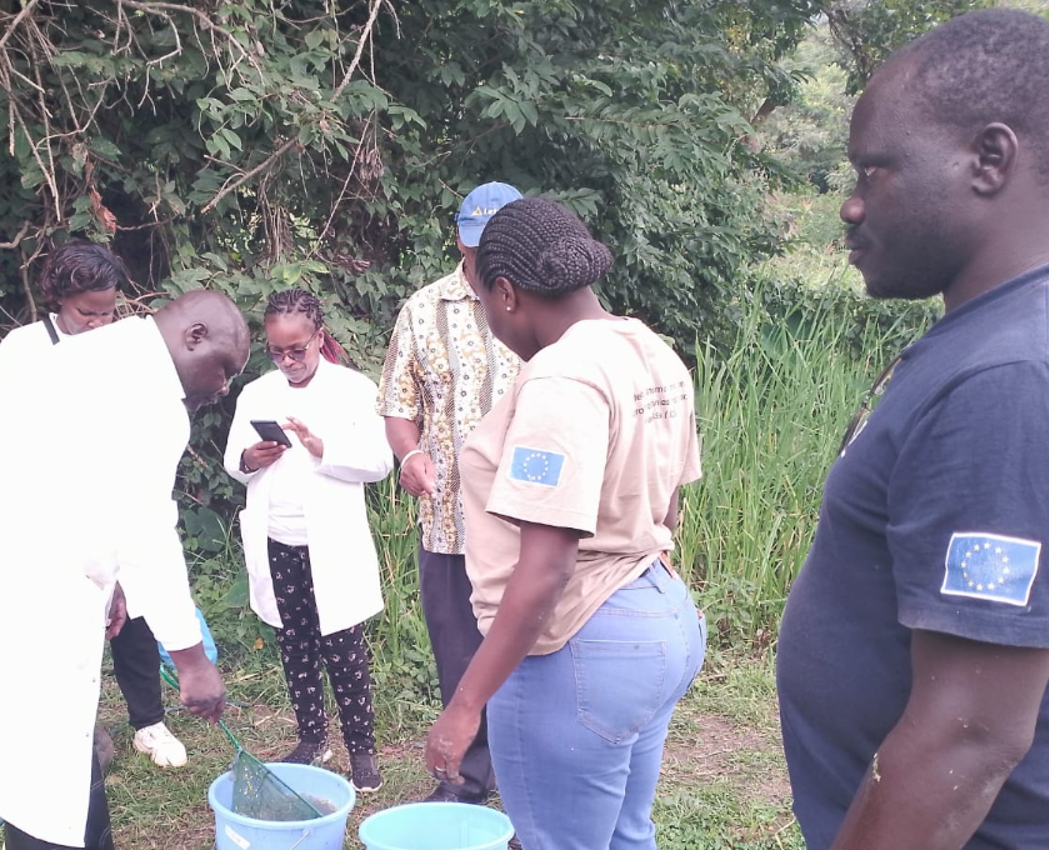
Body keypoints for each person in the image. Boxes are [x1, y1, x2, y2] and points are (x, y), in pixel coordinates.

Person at [775, 9, 1049, 850]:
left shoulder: (1024, 379)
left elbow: (969, 735)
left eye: (876, 171)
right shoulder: (1022, 329)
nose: (850, 206)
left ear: (989, 159)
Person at [0, 290, 251, 850]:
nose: (222, 387)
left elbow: (87, 493)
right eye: (224, 370)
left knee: (45, 754)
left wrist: (113, 581)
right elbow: (148, 533)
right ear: (194, 336)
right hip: (4, 576)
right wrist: (193, 663)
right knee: (40, 759)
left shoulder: (104, 353)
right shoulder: (149, 395)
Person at [424, 198, 706, 850]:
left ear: (506, 293)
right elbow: (667, 508)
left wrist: (464, 708)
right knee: (626, 836)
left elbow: (546, 566)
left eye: (484, 304)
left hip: (577, 643)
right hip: (660, 618)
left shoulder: (563, 375)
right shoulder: (651, 351)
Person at [0, 241, 190, 769]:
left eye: (108, 312)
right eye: (86, 313)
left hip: (115, 504)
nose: (99, 324)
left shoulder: (127, 345)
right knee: (70, 623)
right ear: (58, 298)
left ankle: (149, 723)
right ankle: (73, 728)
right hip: (51, 517)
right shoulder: (25, 349)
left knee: (132, 612)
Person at [377, 181, 522, 803]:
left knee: (532, 654)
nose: (481, 261)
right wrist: (408, 453)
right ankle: (466, 779)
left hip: (529, 524)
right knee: (458, 655)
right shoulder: (423, 308)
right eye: (472, 248)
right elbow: (396, 404)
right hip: (449, 524)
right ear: (459, 241)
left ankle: (529, 786)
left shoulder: (545, 303)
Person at [223, 289, 392, 793]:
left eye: (298, 349)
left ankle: (361, 750)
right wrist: (253, 458)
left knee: (343, 647)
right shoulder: (256, 393)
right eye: (277, 351)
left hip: (331, 543)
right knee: (294, 643)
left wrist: (324, 448)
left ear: (320, 337)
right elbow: (235, 462)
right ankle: (312, 738)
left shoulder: (354, 390)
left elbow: (381, 463)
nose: (289, 361)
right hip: (278, 537)